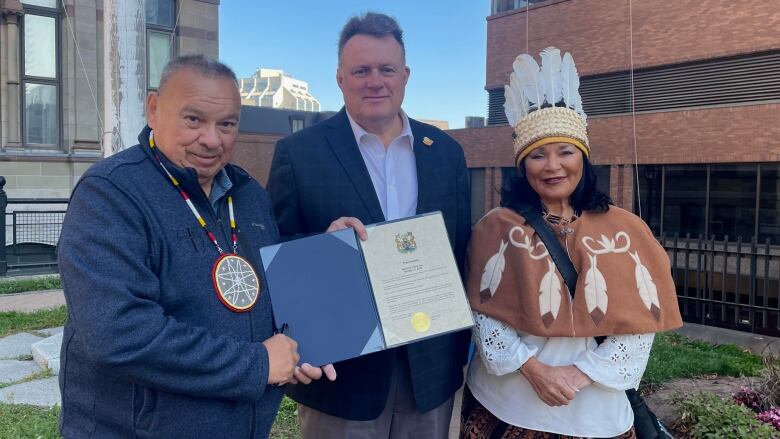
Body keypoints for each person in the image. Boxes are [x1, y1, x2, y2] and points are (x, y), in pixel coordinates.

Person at [57, 55, 327, 439]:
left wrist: (330, 248)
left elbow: (267, 282)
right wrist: (258, 363)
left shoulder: (247, 194)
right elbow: (119, 332)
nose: (212, 140)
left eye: (227, 124)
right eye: (193, 119)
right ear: (154, 109)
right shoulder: (111, 193)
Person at [267, 11, 471, 439]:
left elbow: (461, 249)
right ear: (341, 78)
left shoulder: (447, 153)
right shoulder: (299, 154)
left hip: (428, 371)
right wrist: (322, 246)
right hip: (342, 372)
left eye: (386, 69)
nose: (374, 81)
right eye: (361, 70)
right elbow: (275, 250)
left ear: (405, 75)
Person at [461, 48, 683, 438]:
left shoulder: (625, 229)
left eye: (565, 151)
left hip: (596, 413)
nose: (553, 166)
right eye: (537, 155)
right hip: (505, 404)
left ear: (583, 158)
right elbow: (483, 313)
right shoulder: (496, 227)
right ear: (521, 165)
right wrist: (535, 371)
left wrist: (575, 377)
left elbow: (637, 325)